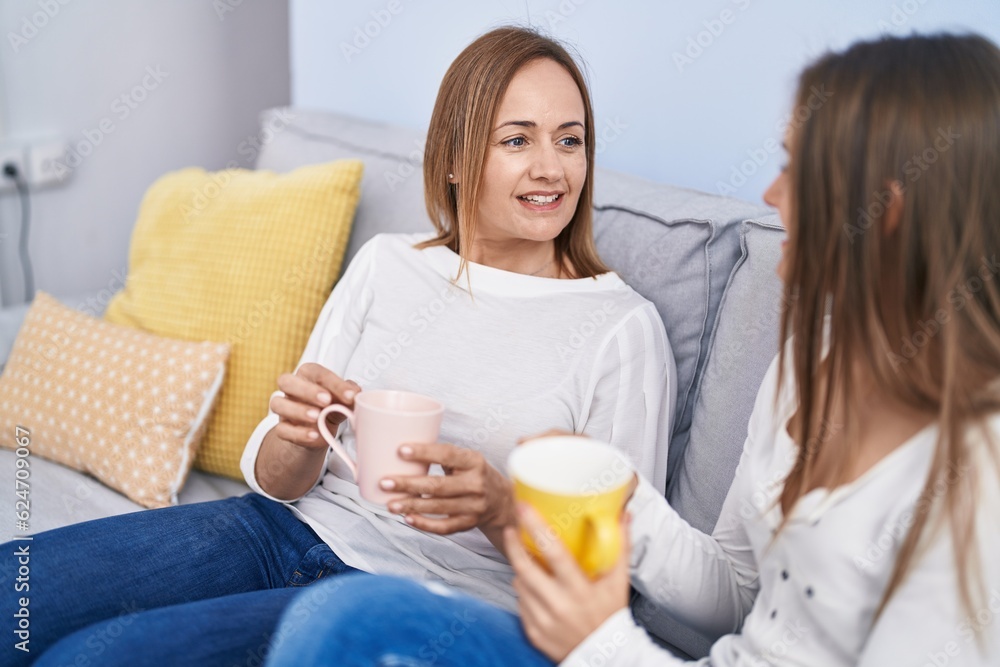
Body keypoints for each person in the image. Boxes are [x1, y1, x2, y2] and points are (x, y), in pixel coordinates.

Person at [262, 32, 1000, 666]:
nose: (769, 196)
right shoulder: (806, 364)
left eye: (794, 168)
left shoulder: (973, 472)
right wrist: (617, 494)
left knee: (340, 621)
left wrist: (600, 638)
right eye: (517, 138)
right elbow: (734, 593)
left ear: (889, 211)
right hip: (319, 533)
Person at [1, 27, 676, 667]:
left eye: (569, 139)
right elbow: (276, 478)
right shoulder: (388, 265)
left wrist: (502, 512)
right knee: (14, 597)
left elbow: (605, 590)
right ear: (452, 159)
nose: (550, 168)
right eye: (517, 140)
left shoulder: (619, 328)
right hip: (277, 527)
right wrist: (298, 433)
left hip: (416, 599)